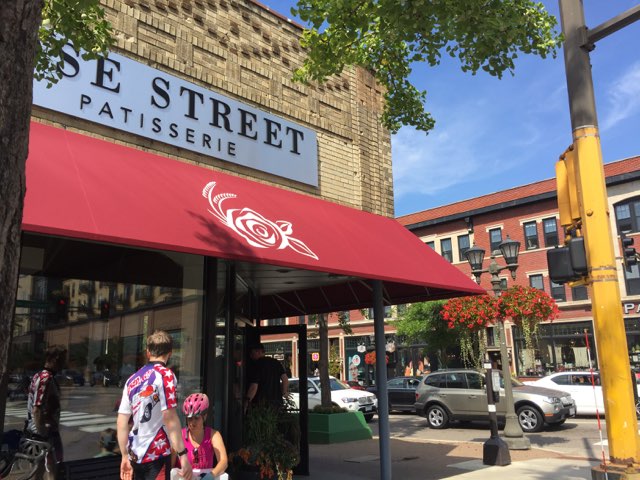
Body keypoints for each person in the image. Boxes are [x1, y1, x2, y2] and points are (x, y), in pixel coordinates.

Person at [117, 330, 192, 480]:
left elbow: (121, 421)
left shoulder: (132, 380)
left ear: (147, 352)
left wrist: (124, 456)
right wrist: (183, 455)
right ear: (170, 353)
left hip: (135, 454)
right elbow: (169, 417)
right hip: (157, 453)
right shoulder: (166, 375)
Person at [24, 346, 66, 480]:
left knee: (40, 468)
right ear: (55, 359)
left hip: (43, 431)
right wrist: (42, 434)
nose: (64, 364)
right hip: (43, 433)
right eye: (63, 360)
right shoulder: (45, 378)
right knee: (52, 469)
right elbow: (37, 408)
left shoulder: (40, 375)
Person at [172, 393, 227, 479]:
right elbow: (170, 468)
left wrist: (211, 475)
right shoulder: (179, 436)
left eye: (196, 418)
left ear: (205, 416)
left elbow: (223, 461)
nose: (192, 423)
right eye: (189, 418)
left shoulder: (214, 435)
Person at [244, 343, 288, 411]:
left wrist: (247, 402)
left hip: (261, 404)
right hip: (277, 403)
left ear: (258, 352)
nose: (251, 356)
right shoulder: (276, 362)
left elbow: (254, 386)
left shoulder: (257, 365)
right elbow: (285, 379)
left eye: (252, 353)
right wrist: (282, 393)